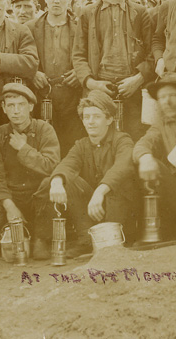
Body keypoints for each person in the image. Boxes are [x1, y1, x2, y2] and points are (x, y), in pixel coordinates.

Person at [35, 91, 135, 257]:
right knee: (53, 181)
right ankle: (85, 240)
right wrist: (57, 181)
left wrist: (100, 191)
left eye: (96, 116)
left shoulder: (122, 140)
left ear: (109, 119)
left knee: (120, 182)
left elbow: (122, 167)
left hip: (118, 214)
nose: (90, 122)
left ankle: (116, 240)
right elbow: (67, 164)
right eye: (86, 117)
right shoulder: (81, 145)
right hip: (93, 209)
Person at [0, 83, 61, 258]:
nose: (16, 111)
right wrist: (9, 205)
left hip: (38, 197)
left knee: (49, 186)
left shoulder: (44, 129)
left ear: (31, 107)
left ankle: (40, 237)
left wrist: (23, 148)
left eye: (21, 105)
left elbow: (51, 166)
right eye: (11, 106)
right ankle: (15, 232)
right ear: (3, 108)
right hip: (13, 196)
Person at [73, 0, 154, 142]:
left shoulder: (141, 13)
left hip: (132, 89)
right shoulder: (87, 14)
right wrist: (92, 83)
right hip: (100, 88)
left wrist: (138, 79)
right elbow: (78, 55)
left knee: (133, 139)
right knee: (100, 141)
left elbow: (151, 54)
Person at [134, 72, 176, 242]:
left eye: (173, 95)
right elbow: (143, 143)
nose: (166, 102)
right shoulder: (161, 123)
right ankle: (152, 229)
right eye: (162, 97)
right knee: (146, 163)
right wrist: (145, 158)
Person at [26, 0, 83, 153]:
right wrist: (33, 73)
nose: (57, 0)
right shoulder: (30, 27)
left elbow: (91, 55)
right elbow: (24, 57)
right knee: (44, 145)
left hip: (72, 96)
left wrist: (80, 73)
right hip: (43, 96)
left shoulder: (81, 26)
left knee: (72, 145)